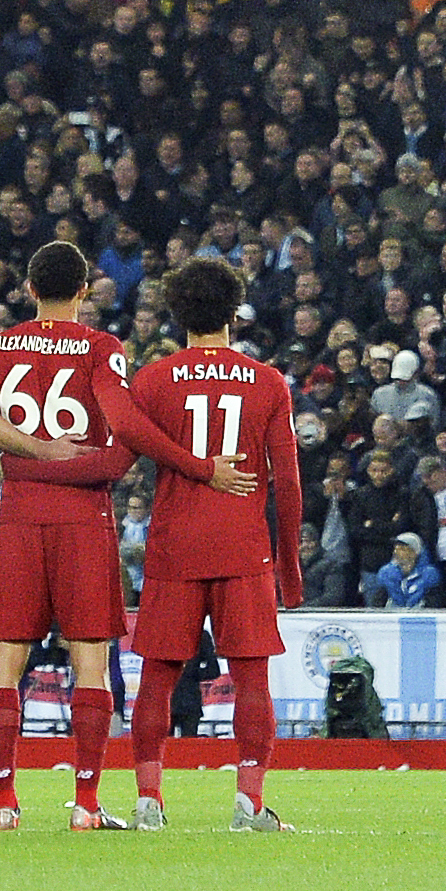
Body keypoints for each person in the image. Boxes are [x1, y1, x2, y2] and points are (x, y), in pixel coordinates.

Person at [0, 239, 129, 828]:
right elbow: (121, 445)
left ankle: (3, 801)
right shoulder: (102, 348)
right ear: (84, 291)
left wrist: (30, 460)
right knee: (90, 659)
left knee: (5, 660)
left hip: (18, 513)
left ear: (28, 289)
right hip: (83, 516)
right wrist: (76, 463)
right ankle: (88, 804)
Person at [108, 257, 297, 829]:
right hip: (244, 548)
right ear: (234, 312)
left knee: (159, 679)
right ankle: (249, 803)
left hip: (175, 545)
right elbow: (286, 481)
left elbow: (120, 460)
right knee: (251, 678)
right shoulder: (267, 382)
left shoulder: (154, 379)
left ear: (177, 313)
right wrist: (289, 567)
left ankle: (148, 802)